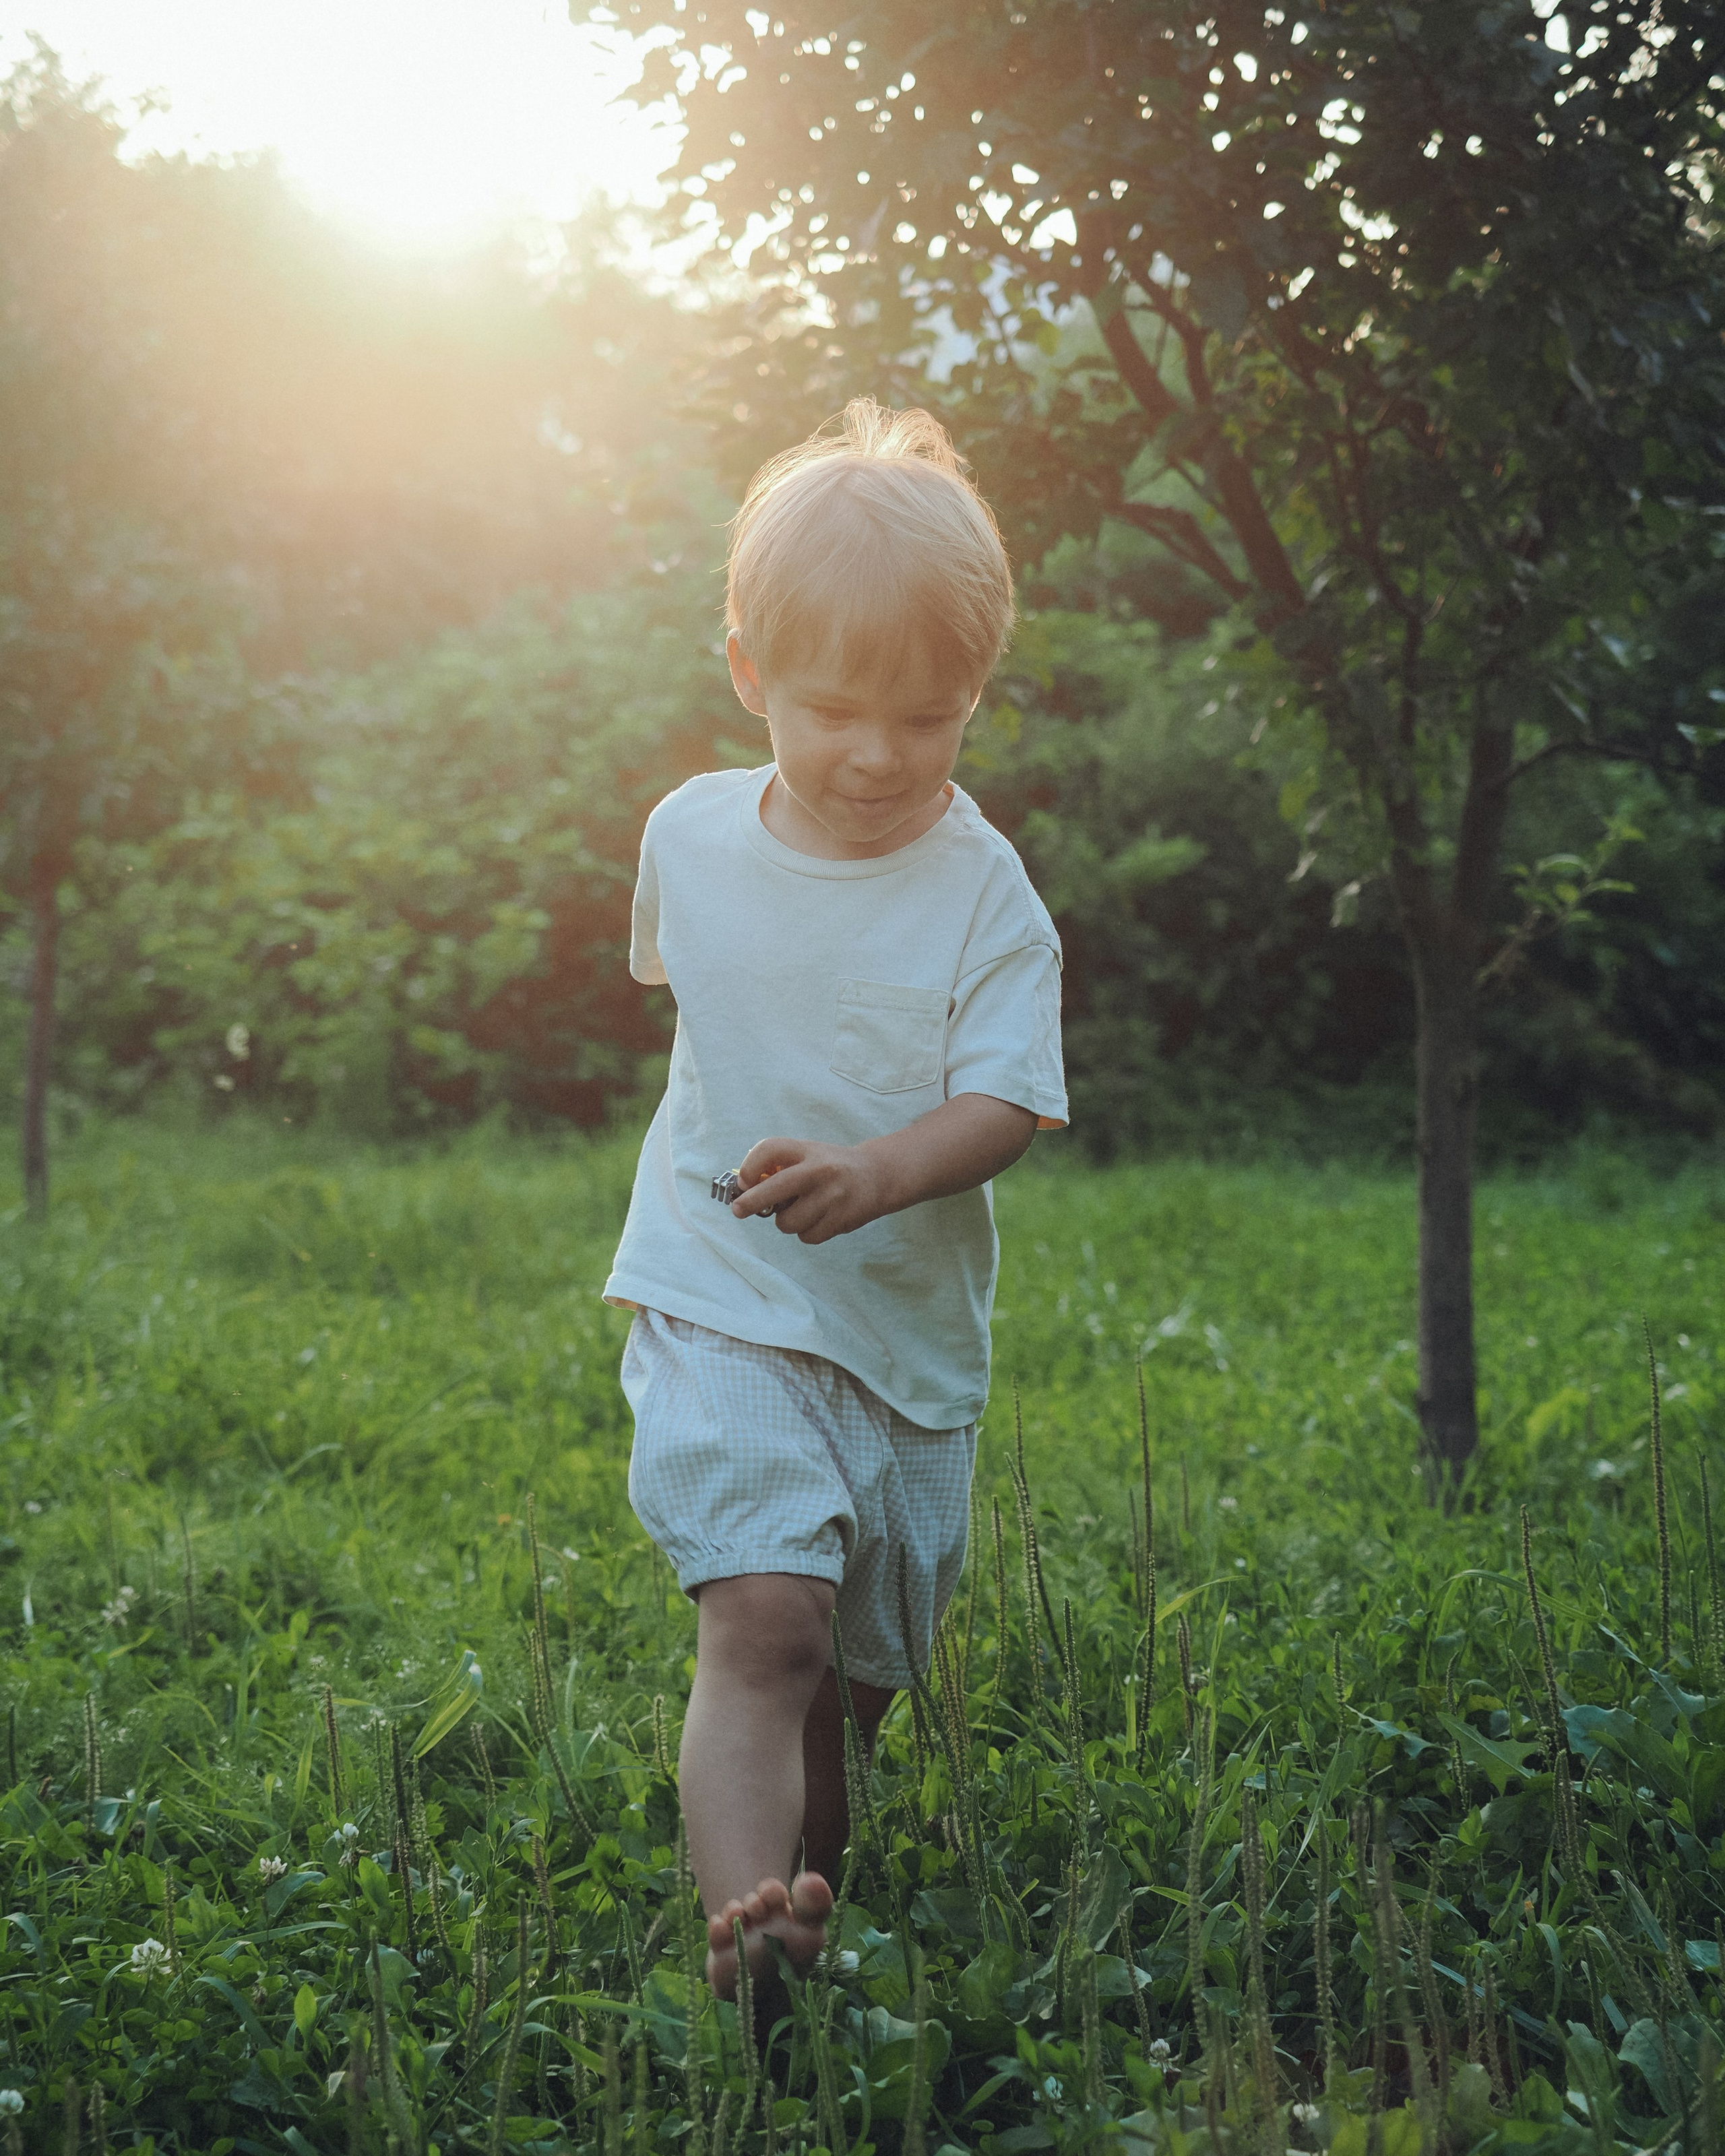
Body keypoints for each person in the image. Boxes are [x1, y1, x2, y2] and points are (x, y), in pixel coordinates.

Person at [603, 397, 1067, 1998]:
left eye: (926, 718)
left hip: (902, 1344)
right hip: (721, 1292)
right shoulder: (687, 836)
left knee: (851, 1687)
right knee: (766, 1624)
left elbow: (1005, 1102)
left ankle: (809, 1924)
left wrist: (876, 1170)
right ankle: (741, 1933)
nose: (877, 753)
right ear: (748, 671)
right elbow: (696, 993)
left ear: (974, 696)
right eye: (833, 708)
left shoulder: (983, 893)